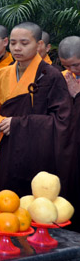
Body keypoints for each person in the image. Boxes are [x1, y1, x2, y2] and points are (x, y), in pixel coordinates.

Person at [0, 22, 72, 206]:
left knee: (32, 206)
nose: (17, 48)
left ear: (39, 45)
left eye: (24, 43)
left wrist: (18, 123)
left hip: (36, 154)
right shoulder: (1, 75)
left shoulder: (52, 76)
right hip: (4, 149)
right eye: (13, 43)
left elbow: (62, 122)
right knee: (4, 202)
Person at [57, 36, 80, 232]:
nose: (72, 71)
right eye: (67, 66)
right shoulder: (63, 77)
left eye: (76, 65)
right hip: (70, 150)